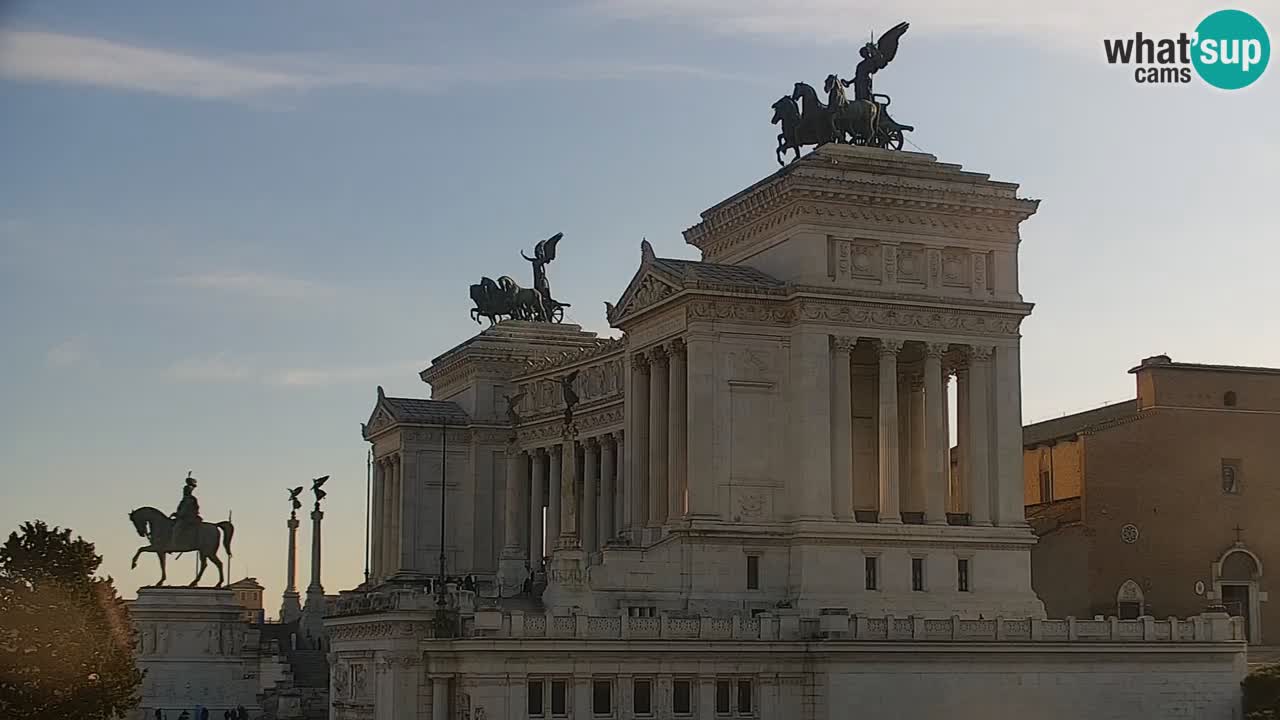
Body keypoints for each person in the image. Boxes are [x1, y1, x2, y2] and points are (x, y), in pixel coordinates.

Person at [171, 472, 202, 548]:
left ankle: (175, 543)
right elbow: (181, 509)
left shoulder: (189, 499)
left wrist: (179, 515)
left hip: (188, 518)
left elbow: (185, 510)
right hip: (183, 517)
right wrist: (176, 513)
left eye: (185, 491)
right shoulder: (185, 499)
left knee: (176, 528)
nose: (184, 492)